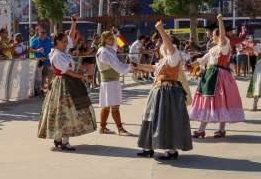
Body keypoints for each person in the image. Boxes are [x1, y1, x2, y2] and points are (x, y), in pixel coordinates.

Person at [136, 21, 193, 160]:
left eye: (163, 47)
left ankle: (171, 150)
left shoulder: (174, 57)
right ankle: (148, 147)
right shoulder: (165, 61)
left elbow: (169, 46)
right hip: (160, 91)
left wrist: (161, 29)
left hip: (168, 92)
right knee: (152, 118)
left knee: (167, 119)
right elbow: (153, 68)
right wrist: (137, 66)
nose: (161, 48)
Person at [37, 32, 96, 151]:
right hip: (63, 84)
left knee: (67, 111)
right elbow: (66, 71)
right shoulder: (56, 55)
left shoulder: (63, 52)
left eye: (66, 41)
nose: (66, 43)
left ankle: (60, 139)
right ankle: (64, 141)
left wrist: (74, 23)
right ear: (57, 42)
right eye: (63, 41)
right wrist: (82, 77)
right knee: (66, 111)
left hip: (70, 82)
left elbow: (71, 35)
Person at [189, 14, 245, 138]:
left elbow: (223, 37)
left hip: (220, 76)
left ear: (219, 36)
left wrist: (220, 21)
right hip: (210, 77)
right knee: (207, 102)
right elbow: (203, 59)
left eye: (214, 35)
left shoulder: (224, 46)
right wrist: (190, 64)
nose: (211, 37)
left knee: (221, 103)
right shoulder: (213, 49)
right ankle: (201, 129)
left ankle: (221, 129)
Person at [96, 31, 132, 135]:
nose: (112, 40)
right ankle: (120, 129)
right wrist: (129, 67)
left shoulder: (109, 49)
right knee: (114, 106)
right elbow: (117, 65)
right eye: (110, 38)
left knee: (107, 106)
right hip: (110, 81)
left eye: (112, 38)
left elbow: (122, 44)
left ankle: (103, 128)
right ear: (104, 39)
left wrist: (118, 34)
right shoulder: (104, 51)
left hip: (110, 81)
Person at [30, 26, 53, 93]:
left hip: (47, 61)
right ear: (39, 33)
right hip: (38, 61)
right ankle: (38, 90)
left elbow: (52, 49)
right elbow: (30, 50)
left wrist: (50, 54)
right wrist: (37, 50)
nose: (44, 34)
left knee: (46, 75)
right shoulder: (35, 40)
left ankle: (44, 89)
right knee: (38, 76)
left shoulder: (48, 40)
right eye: (42, 32)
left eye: (45, 33)